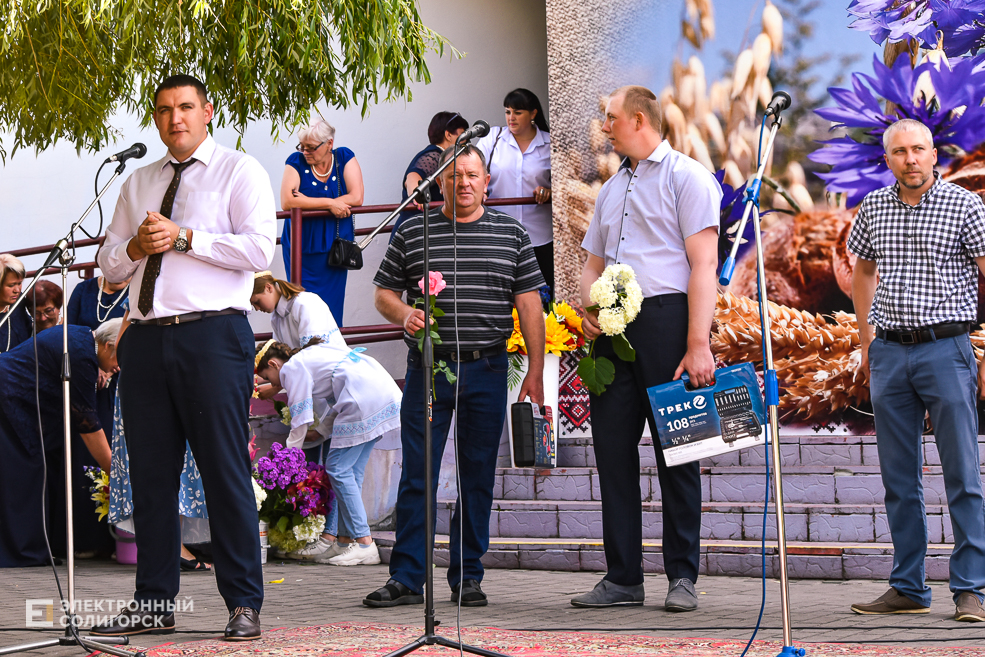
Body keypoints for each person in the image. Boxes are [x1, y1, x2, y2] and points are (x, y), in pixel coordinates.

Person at [93, 74, 275, 641]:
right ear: (156, 117)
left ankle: (243, 602)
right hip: (145, 339)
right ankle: (154, 602)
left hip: (213, 336)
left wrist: (185, 238)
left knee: (224, 471)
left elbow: (258, 248)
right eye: (167, 110)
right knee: (150, 477)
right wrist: (135, 247)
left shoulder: (239, 171)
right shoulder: (138, 180)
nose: (177, 118)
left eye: (187, 107)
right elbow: (108, 266)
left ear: (208, 112)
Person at [365, 144, 546, 608]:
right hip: (427, 370)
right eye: (454, 175)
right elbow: (384, 293)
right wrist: (405, 313)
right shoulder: (413, 230)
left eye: (471, 175)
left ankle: (468, 576)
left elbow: (530, 306)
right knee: (418, 475)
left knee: (477, 475)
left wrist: (537, 373)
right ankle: (407, 577)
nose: (463, 182)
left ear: (487, 182)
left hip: (487, 368)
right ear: (440, 182)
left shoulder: (512, 234)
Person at [571, 86, 720, 612]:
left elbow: (704, 264)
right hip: (613, 327)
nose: (605, 125)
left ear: (638, 119)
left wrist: (697, 342)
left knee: (679, 451)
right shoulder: (611, 188)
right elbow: (593, 261)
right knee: (611, 451)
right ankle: (623, 578)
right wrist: (587, 308)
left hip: (668, 320)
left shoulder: (688, 176)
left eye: (611, 117)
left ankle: (682, 577)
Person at [848, 118, 985, 622]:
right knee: (898, 478)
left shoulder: (965, 206)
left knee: (963, 474)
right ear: (888, 160)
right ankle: (907, 585)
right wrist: (866, 341)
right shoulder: (874, 208)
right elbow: (863, 272)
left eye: (919, 149)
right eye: (900, 151)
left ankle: (971, 589)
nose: (910, 159)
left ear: (934, 155)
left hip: (946, 350)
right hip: (889, 353)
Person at [255, 337, 401, 566]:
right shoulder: (309, 358)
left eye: (266, 377)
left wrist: (288, 458)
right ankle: (344, 542)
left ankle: (364, 543)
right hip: (378, 392)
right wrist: (321, 432)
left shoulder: (292, 368)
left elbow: (300, 416)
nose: (271, 383)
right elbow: (335, 401)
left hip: (362, 398)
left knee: (337, 469)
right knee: (351, 472)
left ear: (274, 364)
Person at [0, 320, 118, 567]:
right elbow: (88, 424)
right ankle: (24, 552)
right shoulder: (81, 356)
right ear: (108, 346)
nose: (119, 367)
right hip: (10, 398)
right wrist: (115, 473)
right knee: (29, 475)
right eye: (121, 357)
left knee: (37, 472)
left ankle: (34, 548)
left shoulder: (81, 337)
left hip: (16, 399)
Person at [107, 299, 212, 572]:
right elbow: (121, 347)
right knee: (160, 471)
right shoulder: (140, 300)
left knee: (177, 470)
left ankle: (173, 549)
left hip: (176, 375)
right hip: (152, 381)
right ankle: (170, 551)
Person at [280, 117, 365, 326]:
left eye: (311, 147)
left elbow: (357, 197)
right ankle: (307, 356)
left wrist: (308, 202)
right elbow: (287, 201)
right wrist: (329, 203)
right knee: (304, 310)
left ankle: (330, 356)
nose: (305, 152)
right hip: (301, 250)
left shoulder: (344, 157)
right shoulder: (295, 161)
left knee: (331, 313)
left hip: (335, 251)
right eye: (302, 146)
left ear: (329, 144)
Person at [476, 88, 554, 294]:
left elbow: (566, 183)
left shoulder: (550, 143)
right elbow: (472, 169)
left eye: (517, 112)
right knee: (502, 295)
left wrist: (549, 192)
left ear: (533, 113)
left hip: (540, 236)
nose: (511, 118)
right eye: (507, 112)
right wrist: (479, 189)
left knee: (543, 297)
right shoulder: (493, 138)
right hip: (499, 233)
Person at [392, 111, 469, 238]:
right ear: (448, 135)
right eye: (462, 135)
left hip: (419, 228)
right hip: (415, 229)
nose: (465, 141)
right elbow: (412, 176)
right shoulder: (435, 156)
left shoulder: (440, 156)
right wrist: (418, 194)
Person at [0, 254, 33, 353]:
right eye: (11, 285)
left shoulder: (19, 301)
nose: (17, 290)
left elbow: (27, 331)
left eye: (19, 283)